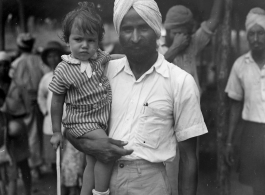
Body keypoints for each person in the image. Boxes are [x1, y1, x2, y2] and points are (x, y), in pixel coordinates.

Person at [64, 0, 208, 195]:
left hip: (150, 186)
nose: (135, 38)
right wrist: (90, 146)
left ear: (157, 30)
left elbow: (189, 158)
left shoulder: (180, 81)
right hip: (101, 182)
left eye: (143, 28)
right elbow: (71, 126)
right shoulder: (101, 73)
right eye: (127, 29)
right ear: (118, 32)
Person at [49, 2, 123, 195]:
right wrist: (57, 132)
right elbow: (56, 101)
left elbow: (112, 57)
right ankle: (101, 193)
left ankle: (86, 192)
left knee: (92, 162)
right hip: (81, 122)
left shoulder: (98, 57)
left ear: (98, 41)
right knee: (106, 153)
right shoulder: (64, 69)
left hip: (98, 121)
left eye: (91, 40)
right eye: (78, 39)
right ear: (68, 40)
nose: (85, 45)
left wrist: (130, 57)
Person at [225, 8, 265, 195]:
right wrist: (230, 142)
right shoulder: (240, 65)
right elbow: (235, 105)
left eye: (261, 33)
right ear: (247, 37)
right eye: (252, 34)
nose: (256, 39)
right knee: (258, 186)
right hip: (253, 133)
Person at [9, 33, 50, 178]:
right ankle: (38, 165)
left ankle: (35, 166)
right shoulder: (40, 61)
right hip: (38, 100)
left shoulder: (15, 64)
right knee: (38, 133)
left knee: (31, 134)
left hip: (24, 102)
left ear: (20, 46)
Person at [161, 0, 223, 91]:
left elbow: (214, 20)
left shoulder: (191, 43)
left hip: (193, 104)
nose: (181, 38)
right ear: (168, 31)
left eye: (184, 34)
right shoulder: (156, 49)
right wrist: (175, 48)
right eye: (176, 33)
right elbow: (154, 72)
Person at [0, 51, 32, 195]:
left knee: (22, 161)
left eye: (5, 65)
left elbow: (28, 108)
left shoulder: (18, 84)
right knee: (4, 163)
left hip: (16, 126)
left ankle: (27, 191)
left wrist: (17, 122)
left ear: (9, 67)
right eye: (0, 65)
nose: (3, 69)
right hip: (1, 129)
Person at [38, 41, 65, 174]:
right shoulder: (46, 78)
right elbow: (41, 96)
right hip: (50, 119)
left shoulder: (68, 74)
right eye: (50, 57)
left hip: (66, 118)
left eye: (56, 56)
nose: (53, 59)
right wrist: (45, 110)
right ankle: (56, 173)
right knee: (54, 152)